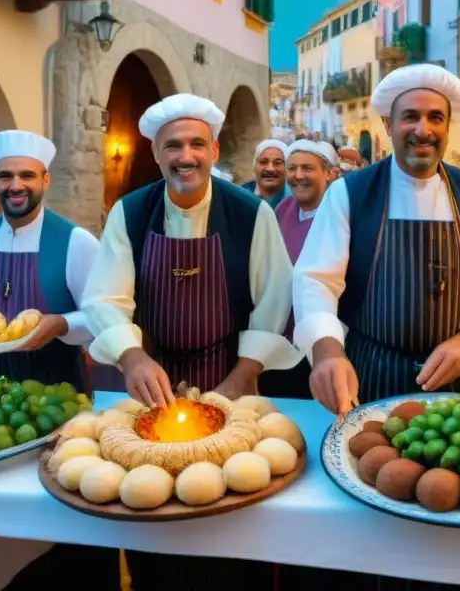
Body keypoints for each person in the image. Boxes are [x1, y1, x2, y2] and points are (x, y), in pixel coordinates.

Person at [78, 93, 298, 589]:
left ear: (215, 151)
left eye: (197, 144)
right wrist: (130, 356)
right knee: (158, 521)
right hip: (151, 389)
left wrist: (245, 373)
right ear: (155, 154)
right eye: (172, 146)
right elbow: (105, 296)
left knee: (236, 518)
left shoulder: (252, 214)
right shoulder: (130, 213)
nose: (186, 157)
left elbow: (275, 299)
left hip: (233, 381)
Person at [294, 63, 460, 413]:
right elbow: (316, 279)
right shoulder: (350, 193)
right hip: (367, 378)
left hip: (455, 383)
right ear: (389, 125)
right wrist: (326, 350)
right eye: (410, 117)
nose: (423, 130)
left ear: (447, 128)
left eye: (436, 118)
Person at [0, 131, 99, 390]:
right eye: (5, 176)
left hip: (60, 395)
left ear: (46, 180)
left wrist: (61, 324)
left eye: (27, 175)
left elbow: (103, 315)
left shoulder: (77, 242)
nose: (15, 186)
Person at [260, 140, 337, 399]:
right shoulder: (283, 208)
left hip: (326, 336)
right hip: (282, 334)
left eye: (307, 168)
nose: (298, 176)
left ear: (328, 173)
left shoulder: (338, 213)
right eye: (292, 168)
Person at [242, 139, 289, 208]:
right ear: (254, 166)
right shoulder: (240, 196)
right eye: (263, 162)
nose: (270, 169)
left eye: (277, 163)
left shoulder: (295, 203)